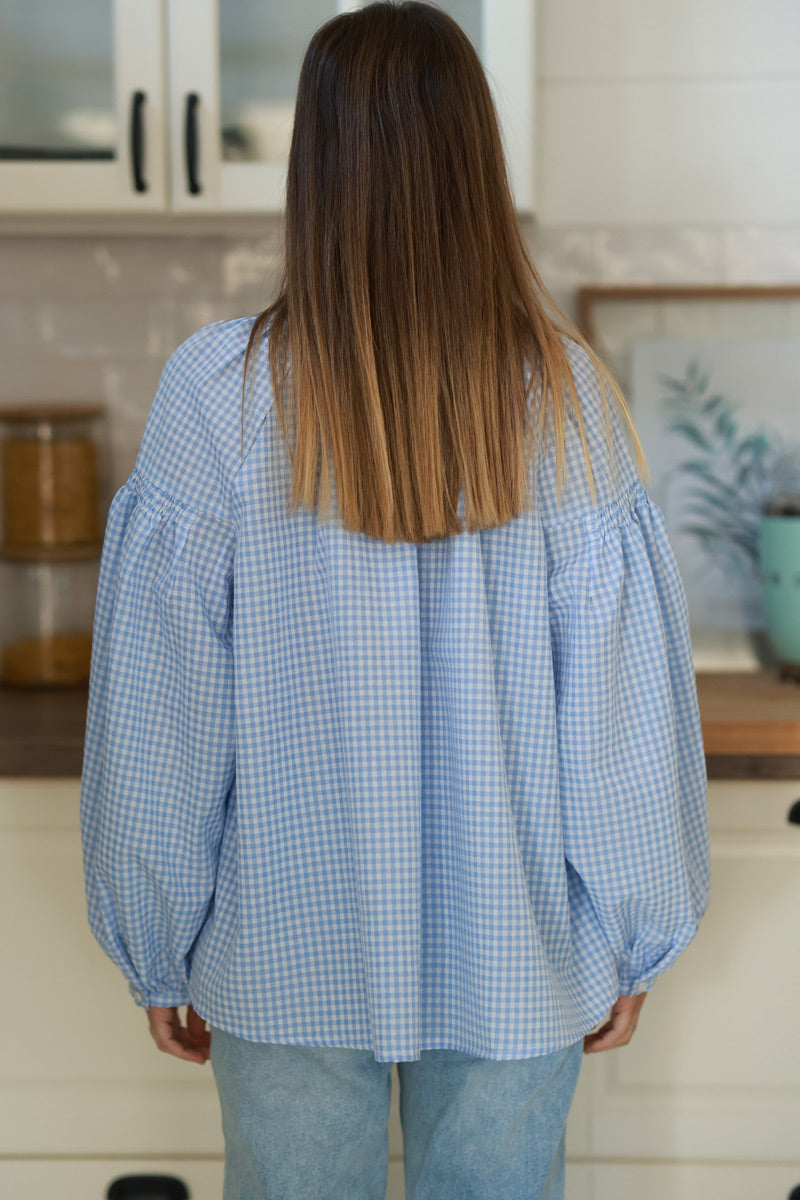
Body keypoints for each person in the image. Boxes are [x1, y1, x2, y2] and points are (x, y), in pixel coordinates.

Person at [79, 3, 712, 1198]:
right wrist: (636, 927)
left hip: (280, 945)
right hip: (515, 953)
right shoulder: (562, 391)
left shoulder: (216, 393)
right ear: (477, 159)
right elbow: (621, 717)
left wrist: (156, 942)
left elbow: (159, 721)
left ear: (311, 166)